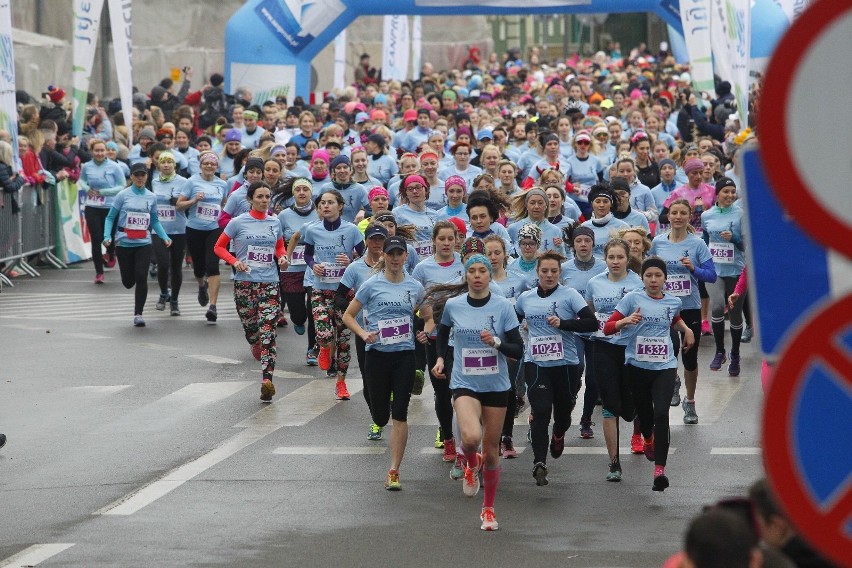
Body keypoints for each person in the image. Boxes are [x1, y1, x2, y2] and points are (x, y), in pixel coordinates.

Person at [430, 254, 524, 531]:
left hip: (496, 384)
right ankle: (471, 464)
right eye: (472, 271)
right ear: (466, 275)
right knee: (471, 438)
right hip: (464, 382)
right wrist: (439, 360)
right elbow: (442, 336)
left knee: (492, 452)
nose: (478, 275)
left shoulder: (503, 307)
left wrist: (496, 342)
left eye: (483, 270)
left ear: (489, 275)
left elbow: (518, 350)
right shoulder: (453, 305)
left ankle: (488, 509)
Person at [343, 235, 430, 490]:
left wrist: (426, 331)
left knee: (400, 413)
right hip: (377, 355)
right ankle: (381, 414)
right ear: (384, 257)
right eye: (390, 254)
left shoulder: (415, 287)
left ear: (405, 257)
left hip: (404, 356)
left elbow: (428, 317)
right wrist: (362, 334)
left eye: (398, 254)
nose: (394, 258)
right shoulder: (371, 285)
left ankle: (394, 470)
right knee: (381, 415)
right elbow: (349, 315)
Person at [604, 257, 695, 491]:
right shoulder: (633, 299)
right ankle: (647, 437)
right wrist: (626, 321)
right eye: (649, 276)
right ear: (642, 278)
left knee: (662, 414)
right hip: (637, 367)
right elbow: (607, 327)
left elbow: (672, 318)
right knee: (645, 416)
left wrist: (686, 329)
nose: (653, 280)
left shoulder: (674, 301)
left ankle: (659, 471)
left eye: (658, 276)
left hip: (664, 366)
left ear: (665, 278)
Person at [515, 251, 597, 486]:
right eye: (544, 271)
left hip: (567, 364)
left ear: (560, 273)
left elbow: (592, 323)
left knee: (563, 413)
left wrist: (565, 324)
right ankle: (539, 462)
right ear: (537, 272)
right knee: (540, 410)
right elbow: (511, 322)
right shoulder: (526, 298)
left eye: (553, 271)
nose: (549, 275)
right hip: (537, 363)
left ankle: (559, 433)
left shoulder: (570, 295)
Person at [214, 182, 289, 401]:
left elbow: (278, 246)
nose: (265, 200)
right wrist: (235, 261)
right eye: (260, 197)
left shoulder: (275, 222)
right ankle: (253, 340)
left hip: (270, 283)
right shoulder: (238, 223)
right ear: (250, 199)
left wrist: (282, 257)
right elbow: (218, 247)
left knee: (268, 332)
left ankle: (267, 380)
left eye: (268, 196)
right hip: (244, 285)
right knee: (252, 329)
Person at [649, 199, 716, 422]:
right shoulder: (658, 243)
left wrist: (693, 268)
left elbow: (711, 275)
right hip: (663, 307)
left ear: (689, 217)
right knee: (668, 351)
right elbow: (648, 272)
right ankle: (673, 381)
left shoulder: (697, 244)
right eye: (674, 213)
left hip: (689, 307)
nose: (678, 217)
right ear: (668, 216)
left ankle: (690, 402)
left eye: (682, 213)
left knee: (690, 356)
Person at [585, 239, 643, 481]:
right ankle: (614, 463)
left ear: (627, 259)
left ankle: (641, 434)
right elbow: (589, 311)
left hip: (630, 349)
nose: (616, 262)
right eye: (612, 258)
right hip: (603, 348)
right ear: (605, 259)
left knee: (631, 407)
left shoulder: (637, 283)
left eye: (620, 257)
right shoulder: (594, 283)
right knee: (610, 406)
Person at [303, 189, 366, 400]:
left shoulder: (352, 230)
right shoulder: (312, 230)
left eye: (330, 203)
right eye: (322, 203)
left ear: (340, 206)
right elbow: (308, 254)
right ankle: (322, 346)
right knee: (325, 332)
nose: (326, 206)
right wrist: (313, 266)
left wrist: (351, 262)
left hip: (343, 292)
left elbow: (364, 256)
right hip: (320, 288)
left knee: (344, 342)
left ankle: (341, 382)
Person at [412, 220, 464, 464]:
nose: (445, 243)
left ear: (456, 240)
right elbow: (418, 300)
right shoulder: (423, 269)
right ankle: (448, 439)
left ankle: (465, 440)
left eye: (450, 239)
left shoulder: (466, 264)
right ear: (433, 241)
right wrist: (426, 324)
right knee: (442, 392)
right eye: (441, 239)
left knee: (461, 392)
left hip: (462, 338)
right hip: (434, 338)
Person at [103, 163, 172, 327]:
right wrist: (107, 236)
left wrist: (164, 237)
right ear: (132, 177)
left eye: (143, 175)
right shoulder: (122, 195)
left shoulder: (151, 197)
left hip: (143, 242)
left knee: (142, 277)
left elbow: (154, 220)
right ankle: (130, 279)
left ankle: (138, 314)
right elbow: (110, 217)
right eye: (137, 175)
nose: (140, 178)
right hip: (124, 242)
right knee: (128, 282)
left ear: (147, 176)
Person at [176, 150, 229, 322]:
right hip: (194, 229)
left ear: (216, 167)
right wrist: (193, 201)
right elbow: (179, 205)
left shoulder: (222, 184)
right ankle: (201, 285)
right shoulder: (191, 182)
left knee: (213, 265)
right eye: (206, 163)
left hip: (214, 229)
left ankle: (212, 306)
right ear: (201, 165)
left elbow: (223, 205)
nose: (209, 166)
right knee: (199, 267)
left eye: (212, 164)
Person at [702, 177, 746, 377]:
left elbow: (748, 245)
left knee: (736, 314)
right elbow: (704, 242)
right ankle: (720, 351)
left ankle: (735, 353)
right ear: (717, 194)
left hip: (737, 270)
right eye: (725, 191)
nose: (730, 195)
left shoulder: (741, 215)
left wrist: (735, 238)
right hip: (715, 271)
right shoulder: (706, 215)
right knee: (718, 306)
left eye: (732, 191)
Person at [278, 177, 320, 364]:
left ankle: (312, 349)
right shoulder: (284, 215)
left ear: (311, 193)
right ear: (293, 193)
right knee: (298, 312)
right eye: (298, 190)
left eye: (305, 189)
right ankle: (297, 319)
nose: (302, 193)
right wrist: (283, 256)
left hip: (313, 269)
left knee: (313, 311)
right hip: (292, 268)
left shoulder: (320, 213)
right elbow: (278, 240)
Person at [79, 138, 127, 283]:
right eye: (96, 150)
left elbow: (122, 185)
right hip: (92, 206)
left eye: (102, 150)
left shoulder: (114, 167)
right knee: (96, 239)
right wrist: (87, 189)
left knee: (109, 237)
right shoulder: (87, 166)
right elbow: (81, 180)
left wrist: (105, 192)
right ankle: (99, 273)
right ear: (92, 152)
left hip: (110, 207)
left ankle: (111, 253)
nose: (99, 153)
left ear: (106, 151)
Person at [150, 151, 187, 315]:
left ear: (174, 165)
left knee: (176, 267)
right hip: (159, 229)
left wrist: (179, 202)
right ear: (158, 165)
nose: (166, 165)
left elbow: (189, 204)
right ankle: (164, 292)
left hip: (179, 229)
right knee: (163, 265)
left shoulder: (184, 182)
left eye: (169, 162)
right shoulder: (153, 181)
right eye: (163, 162)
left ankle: (175, 300)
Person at [581, 184, 629, 260]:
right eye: (598, 201)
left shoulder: (622, 227)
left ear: (611, 204)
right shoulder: (583, 227)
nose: (601, 205)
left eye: (605, 201)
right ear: (592, 204)